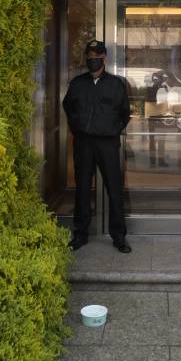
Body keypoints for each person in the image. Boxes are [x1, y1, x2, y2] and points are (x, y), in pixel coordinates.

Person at [62, 38, 132, 253]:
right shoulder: (77, 83)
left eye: (97, 56)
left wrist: (113, 129)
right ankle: (80, 235)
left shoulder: (116, 84)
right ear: (86, 57)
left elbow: (125, 112)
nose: (93, 59)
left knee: (114, 188)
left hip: (108, 143)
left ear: (105, 58)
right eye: (90, 56)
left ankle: (119, 236)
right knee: (82, 188)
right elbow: (68, 107)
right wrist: (77, 128)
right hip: (84, 142)